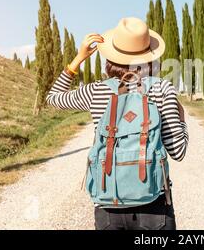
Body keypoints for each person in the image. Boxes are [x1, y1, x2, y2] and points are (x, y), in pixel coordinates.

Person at [46, 17, 188, 230]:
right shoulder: (161, 89)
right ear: (149, 58)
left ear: (111, 57)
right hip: (154, 204)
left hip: (108, 204)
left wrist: (78, 59)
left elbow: (53, 98)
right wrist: (182, 119)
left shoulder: (95, 91)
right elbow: (178, 151)